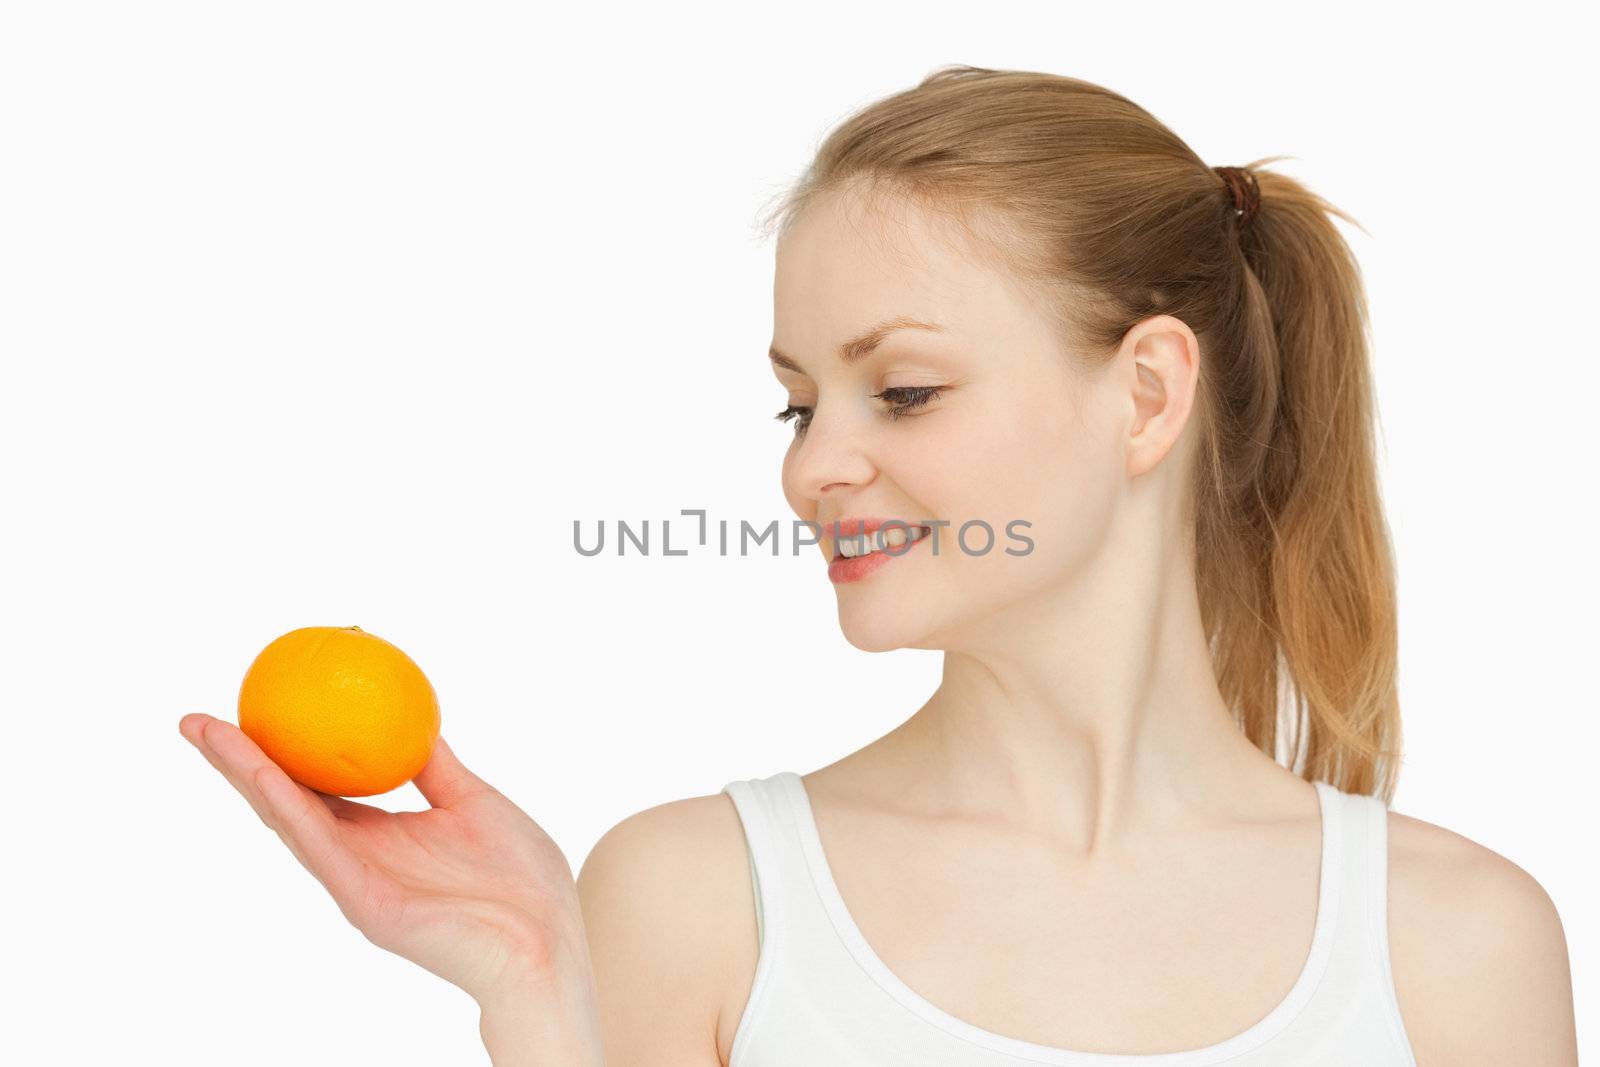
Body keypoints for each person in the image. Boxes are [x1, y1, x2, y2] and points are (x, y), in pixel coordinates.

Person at [178, 65, 1579, 1066]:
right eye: (798, 405)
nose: (807, 471)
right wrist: (543, 1002)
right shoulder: (695, 900)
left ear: (1148, 396)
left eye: (900, 393)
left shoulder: (1457, 946)